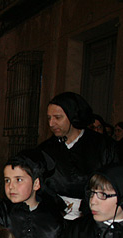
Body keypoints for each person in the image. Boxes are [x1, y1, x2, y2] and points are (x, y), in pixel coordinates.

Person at [39, 92, 118, 220]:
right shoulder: (44, 149)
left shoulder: (103, 146)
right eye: (49, 118)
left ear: (73, 116)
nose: (51, 124)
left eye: (58, 117)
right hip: (54, 217)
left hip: (93, 218)